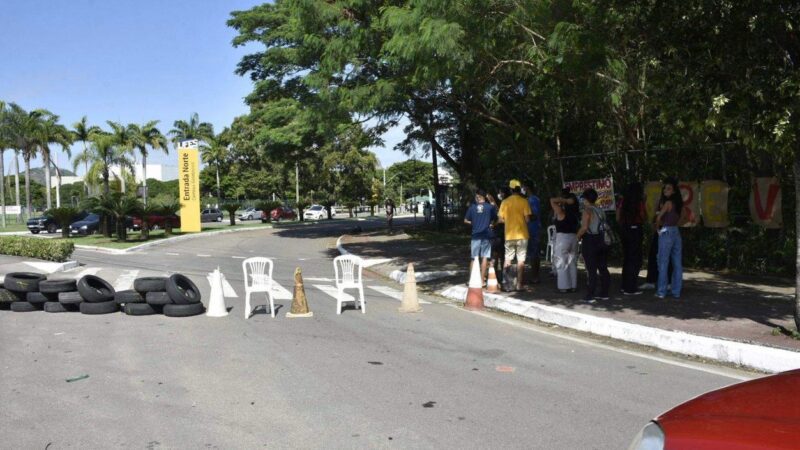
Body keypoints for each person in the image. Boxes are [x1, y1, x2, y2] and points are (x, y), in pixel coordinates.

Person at [576, 188, 610, 301]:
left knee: (591, 269)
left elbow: (585, 227)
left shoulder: (587, 210)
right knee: (603, 267)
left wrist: (577, 237)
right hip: (602, 240)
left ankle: (590, 295)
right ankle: (604, 293)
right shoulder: (600, 210)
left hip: (590, 240)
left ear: (585, 199)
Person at [498, 180, 532, 291]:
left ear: (511, 189)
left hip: (509, 234)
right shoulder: (524, 201)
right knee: (521, 260)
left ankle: (507, 284)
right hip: (522, 234)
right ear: (519, 189)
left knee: (507, 259)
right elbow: (527, 219)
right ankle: (519, 285)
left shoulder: (504, 202)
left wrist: (508, 221)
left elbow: (500, 219)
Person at [655, 178, 683, 299]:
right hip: (676, 231)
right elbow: (684, 219)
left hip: (666, 231)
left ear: (674, 191)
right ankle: (676, 291)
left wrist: (658, 229)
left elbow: (658, 218)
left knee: (663, 262)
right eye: (665, 188)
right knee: (677, 263)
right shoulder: (679, 205)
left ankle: (661, 291)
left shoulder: (667, 203)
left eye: (668, 188)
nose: (665, 190)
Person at [616, 182, 647, 295]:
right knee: (635, 259)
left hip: (625, 229)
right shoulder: (639, 202)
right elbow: (643, 216)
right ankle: (631, 287)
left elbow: (618, 216)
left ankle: (624, 285)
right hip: (635, 229)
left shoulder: (622, 201)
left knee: (627, 257)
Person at [464, 189, 497, 285]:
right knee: (485, 258)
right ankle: (482, 280)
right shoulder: (489, 207)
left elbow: (465, 220)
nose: (475, 197)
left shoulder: (472, 207)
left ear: (478, 196)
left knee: (474, 258)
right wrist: (492, 224)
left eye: (476, 196)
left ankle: (471, 280)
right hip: (486, 235)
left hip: (475, 235)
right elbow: (495, 218)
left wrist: (473, 223)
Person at [549, 189, 579, 293]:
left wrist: (563, 200)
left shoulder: (561, 212)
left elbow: (552, 200)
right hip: (574, 237)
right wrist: (567, 200)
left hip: (563, 238)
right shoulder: (576, 213)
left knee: (561, 263)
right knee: (572, 263)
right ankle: (573, 285)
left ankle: (564, 286)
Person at [522, 182, 541, 284]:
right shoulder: (532, 199)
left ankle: (535, 277)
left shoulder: (532, 200)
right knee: (532, 254)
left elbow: (533, 215)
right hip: (531, 229)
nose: (522, 189)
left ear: (527, 188)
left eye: (523, 187)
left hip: (533, 230)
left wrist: (523, 217)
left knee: (534, 254)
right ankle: (534, 276)